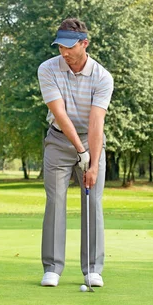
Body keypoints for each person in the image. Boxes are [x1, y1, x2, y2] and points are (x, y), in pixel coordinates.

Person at [37, 18, 114, 287]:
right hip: (58, 141)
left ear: (85, 43)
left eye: (70, 47)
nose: (65, 53)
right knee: (55, 201)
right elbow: (60, 113)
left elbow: (96, 123)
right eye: (60, 47)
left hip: (90, 140)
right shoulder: (47, 69)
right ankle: (52, 268)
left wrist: (91, 162)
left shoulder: (102, 77)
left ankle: (93, 268)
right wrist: (79, 151)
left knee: (92, 202)